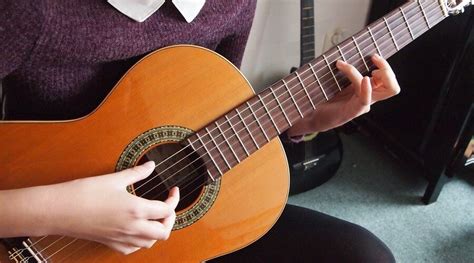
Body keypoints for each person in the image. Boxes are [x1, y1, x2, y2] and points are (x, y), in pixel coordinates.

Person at [0, 0, 398, 261]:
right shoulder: (29, 11)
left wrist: (308, 120)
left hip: (171, 228)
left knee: (362, 255)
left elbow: (210, 118)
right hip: (37, 225)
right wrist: (64, 213)